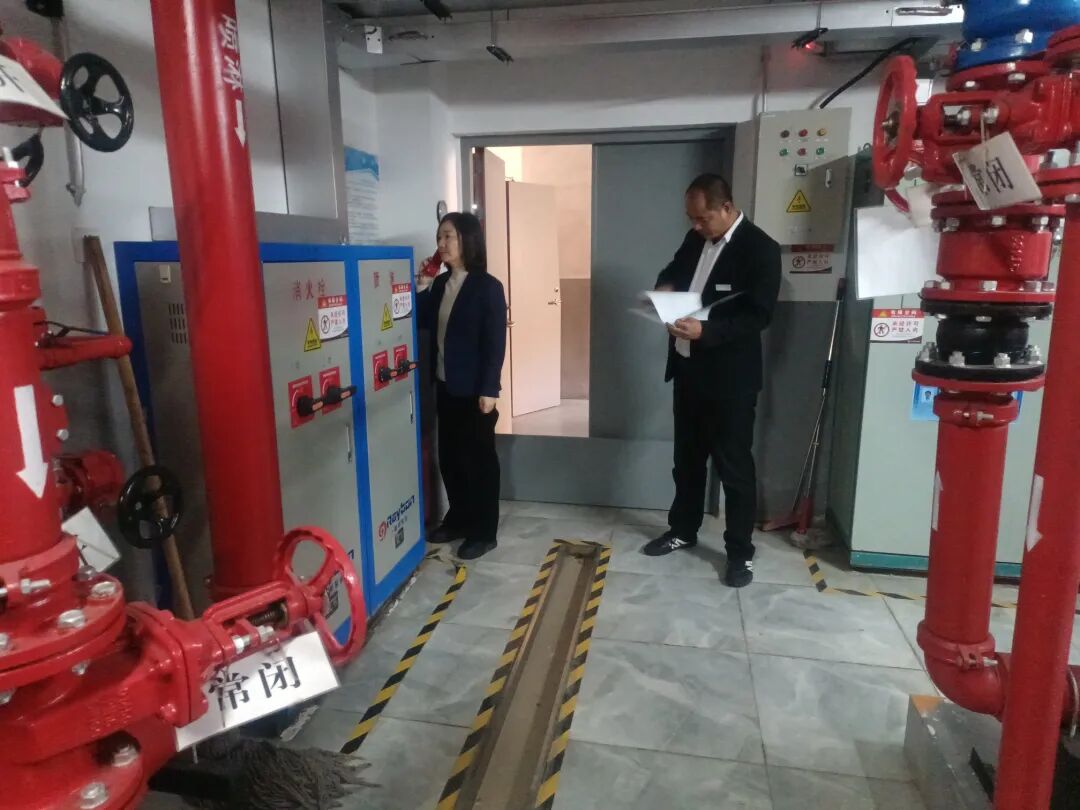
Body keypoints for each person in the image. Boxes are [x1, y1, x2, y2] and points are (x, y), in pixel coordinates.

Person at [641, 174, 781, 588]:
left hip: (730, 381)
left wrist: (708, 331)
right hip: (688, 370)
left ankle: (739, 554)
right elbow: (674, 271)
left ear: (726, 207)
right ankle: (683, 530)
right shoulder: (694, 240)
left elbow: (759, 314)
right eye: (692, 218)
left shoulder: (760, 249)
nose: (696, 226)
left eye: (703, 218)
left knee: (734, 470)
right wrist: (662, 290)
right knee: (686, 462)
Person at [416, 212, 507, 560]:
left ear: (467, 240)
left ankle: (484, 532)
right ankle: (459, 519)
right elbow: (423, 321)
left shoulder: (488, 287)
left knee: (479, 462)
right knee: (451, 458)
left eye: (448, 237)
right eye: (439, 237)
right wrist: (423, 285)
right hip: (445, 384)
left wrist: (490, 389)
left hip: (475, 390)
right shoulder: (441, 284)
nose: (441, 244)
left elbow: (494, 343)